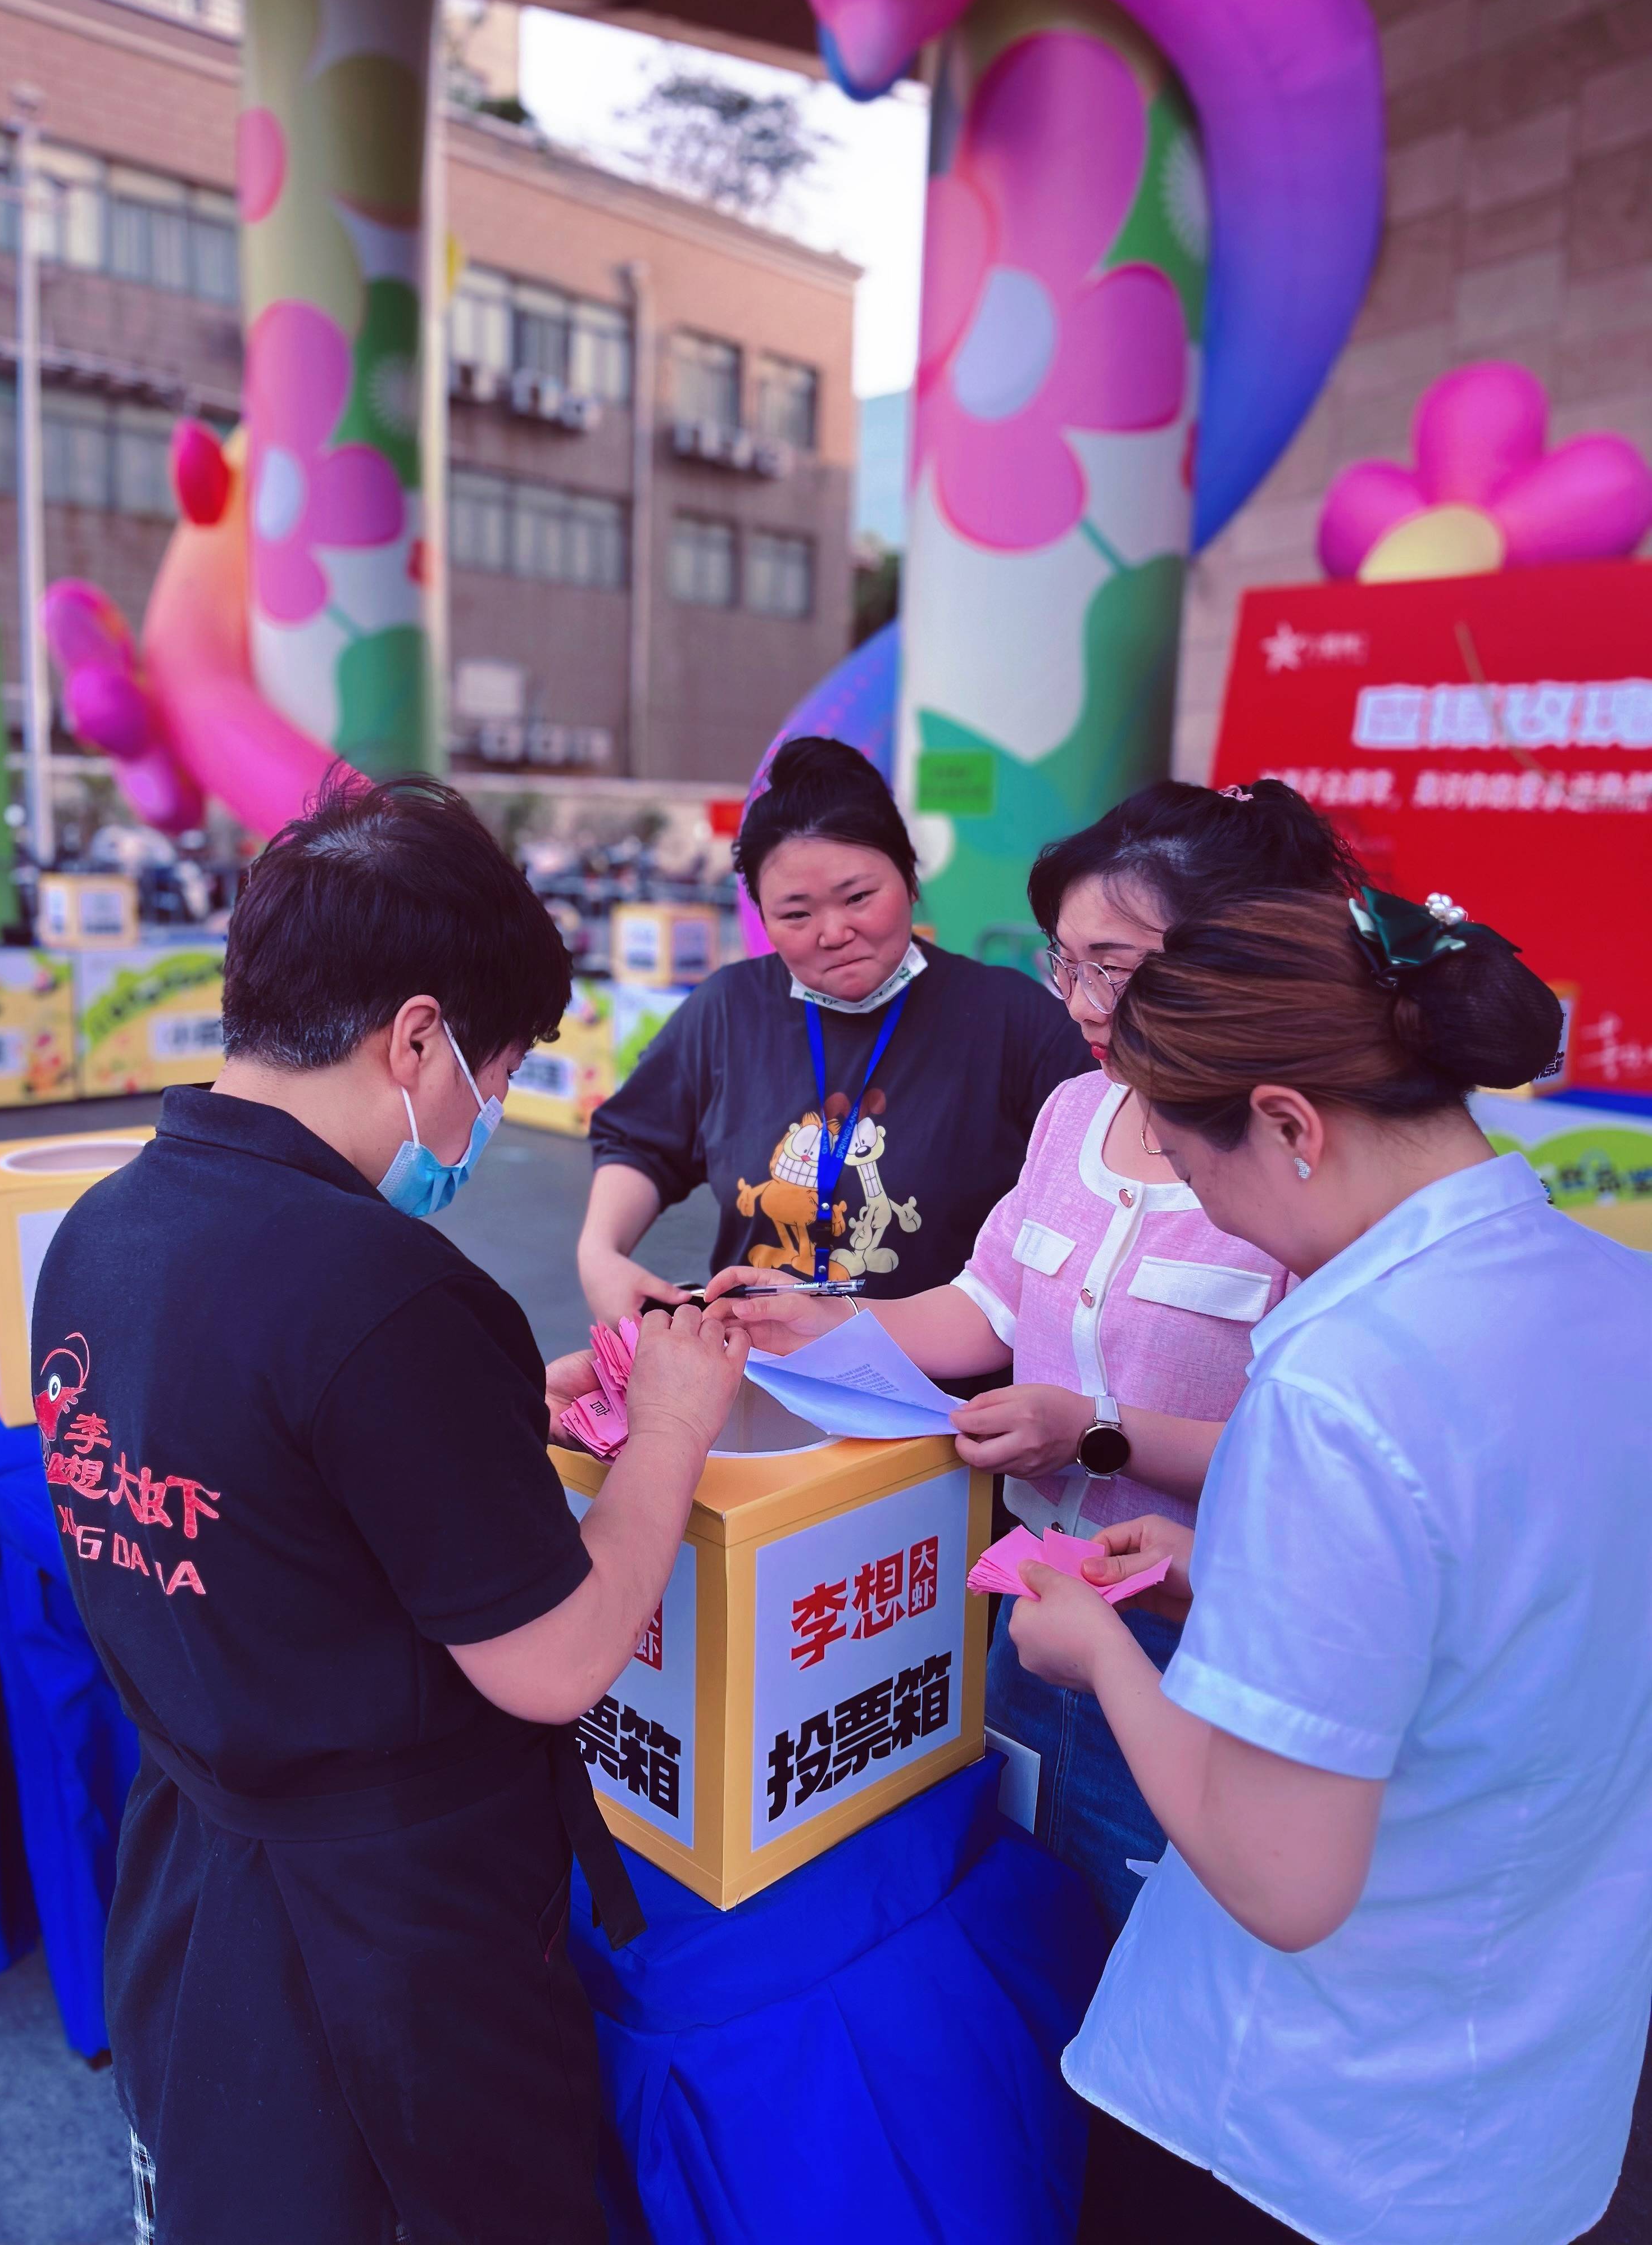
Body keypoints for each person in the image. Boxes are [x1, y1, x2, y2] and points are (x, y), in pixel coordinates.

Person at [33, 775, 748, 2245]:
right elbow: (551, 1662)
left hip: (197, 1883)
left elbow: (265, 1488)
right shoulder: (388, 1293)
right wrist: (669, 1429)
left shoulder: (104, 1234)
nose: (482, 1110)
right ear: (417, 1037)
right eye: (492, 1067)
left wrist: (484, 1421)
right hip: (394, 1950)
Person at [1007, 886, 1652, 2244]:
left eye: (1202, 1173)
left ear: (1292, 1125)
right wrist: (1222, 1578)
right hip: (1532, 2101)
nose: (1221, 1220)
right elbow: (1512, 1621)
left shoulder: (1342, 1379)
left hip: (1296, 2130)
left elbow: (1281, 1876)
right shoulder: (1614, 1295)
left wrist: (1102, 1654)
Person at [711, 778, 1360, 1930]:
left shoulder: (1295, 1158)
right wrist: (815, 1317)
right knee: (1024, 1913)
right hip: (1028, 1607)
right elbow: (984, 1304)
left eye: (1115, 965)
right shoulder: (1074, 1111)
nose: (1082, 1000)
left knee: (1168, 1940)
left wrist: (1097, 1433)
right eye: (1067, 964)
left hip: (1200, 1640)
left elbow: (1321, 1453)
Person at [580, 736, 1086, 1336]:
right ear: (762, 917)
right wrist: (600, 1254)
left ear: (911, 878)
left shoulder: (1015, 1019)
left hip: (942, 1401)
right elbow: (639, 1141)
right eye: (797, 914)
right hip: (756, 1375)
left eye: (859, 897)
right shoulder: (728, 1009)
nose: (834, 931)